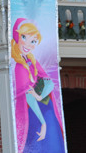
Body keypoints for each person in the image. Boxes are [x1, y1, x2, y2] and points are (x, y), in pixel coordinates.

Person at [12, 17, 64, 153]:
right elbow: (28, 96)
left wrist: (39, 96)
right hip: (33, 113)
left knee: (52, 141)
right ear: (17, 37)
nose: (28, 44)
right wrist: (43, 123)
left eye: (33, 41)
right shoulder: (19, 67)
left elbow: (49, 82)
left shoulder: (31, 61)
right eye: (24, 37)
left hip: (44, 107)